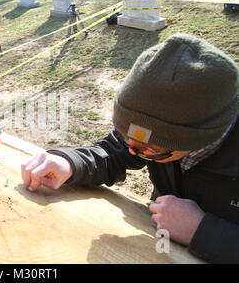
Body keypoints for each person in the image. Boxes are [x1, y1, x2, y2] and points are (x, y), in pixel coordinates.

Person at [21, 33, 239, 263]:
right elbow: (115, 151)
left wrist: (203, 231)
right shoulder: (152, 135)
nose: (133, 151)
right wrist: (71, 163)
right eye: (128, 138)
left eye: (149, 149)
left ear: (198, 139)